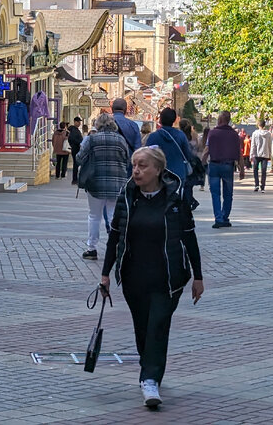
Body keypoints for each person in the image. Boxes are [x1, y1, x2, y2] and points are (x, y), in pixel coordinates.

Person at [100, 146, 204, 408]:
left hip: (168, 278)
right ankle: (150, 367)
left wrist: (198, 277)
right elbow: (115, 236)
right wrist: (105, 275)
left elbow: (189, 237)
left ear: (158, 170)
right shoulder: (127, 197)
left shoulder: (175, 200)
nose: (136, 170)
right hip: (134, 277)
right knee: (143, 329)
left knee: (158, 325)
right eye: (134, 165)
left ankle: (150, 380)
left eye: (143, 165)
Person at [75, 113, 131, 260]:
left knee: (94, 215)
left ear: (98, 125)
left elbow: (79, 158)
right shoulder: (121, 140)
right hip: (117, 183)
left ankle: (91, 248)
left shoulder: (92, 139)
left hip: (95, 183)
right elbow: (128, 160)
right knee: (113, 215)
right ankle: (116, 247)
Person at [205, 111, 243, 228]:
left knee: (215, 193)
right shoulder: (234, 135)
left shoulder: (212, 133)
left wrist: (201, 162)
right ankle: (225, 216)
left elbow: (207, 150)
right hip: (228, 165)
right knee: (228, 193)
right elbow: (239, 153)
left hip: (214, 165)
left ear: (220, 120)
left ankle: (218, 218)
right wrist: (242, 169)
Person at [144, 108, 193, 197]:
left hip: (158, 174)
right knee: (177, 199)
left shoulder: (153, 137)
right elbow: (188, 154)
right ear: (174, 120)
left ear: (160, 120)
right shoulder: (181, 135)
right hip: (178, 173)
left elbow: (146, 155)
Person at [248, 120, 272, 192]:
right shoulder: (268, 134)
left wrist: (251, 154)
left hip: (256, 154)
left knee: (255, 170)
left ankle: (256, 185)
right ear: (264, 125)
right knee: (263, 171)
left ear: (258, 125)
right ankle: (263, 186)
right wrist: (270, 154)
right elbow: (270, 145)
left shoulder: (255, 133)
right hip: (265, 154)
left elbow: (253, 145)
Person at [68, 116, 84, 183]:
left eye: (80, 122)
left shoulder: (75, 130)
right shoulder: (74, 130)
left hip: (76, 148)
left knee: (76, 164)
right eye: (78, 122)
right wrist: (80, 143)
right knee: (76, 164)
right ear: (75, 122)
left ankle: (75, 179)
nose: (79, 123)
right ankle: (74, 179)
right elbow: (73, 139)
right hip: (76, 148)